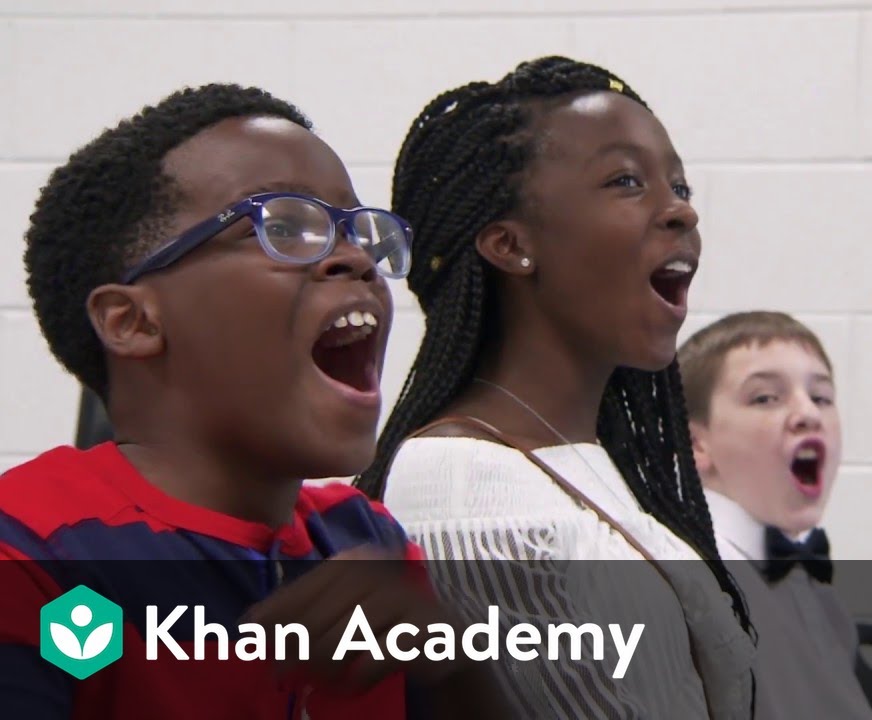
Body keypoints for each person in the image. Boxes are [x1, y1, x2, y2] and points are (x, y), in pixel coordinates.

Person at [0, 83, 504, 719]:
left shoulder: (363, 538)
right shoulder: (31, 552)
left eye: (359, 233)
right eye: (283, 227)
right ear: (133, 321)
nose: (356, 259)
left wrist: (452, 666)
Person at [354, 56, 755, 719]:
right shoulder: (461, 484)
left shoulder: (591, 462)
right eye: (627, 181)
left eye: (679, 185)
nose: (681, 210)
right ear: (509, 244)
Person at [678, 310, 872, 720]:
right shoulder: (693, 586)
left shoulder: (811, 587)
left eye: (821, 397)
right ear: (696, 444)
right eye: (766, 398)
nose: (809, 414)